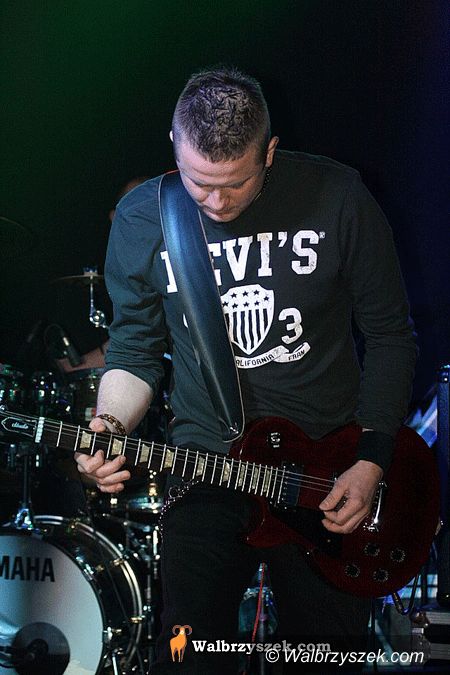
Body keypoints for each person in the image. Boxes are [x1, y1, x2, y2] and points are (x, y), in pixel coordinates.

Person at [75, 67, 417, 673]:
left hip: (325, 470)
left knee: (322, 658)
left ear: (270, 152)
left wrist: (371, 459)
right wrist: (110, 425)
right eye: (198, 182)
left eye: (235, 183)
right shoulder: (143, 216)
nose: (215, 202)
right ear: (174, 146)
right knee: (187, 654)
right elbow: (134, 350)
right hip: (207, 463)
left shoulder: (338, 197)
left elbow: (390, 336)